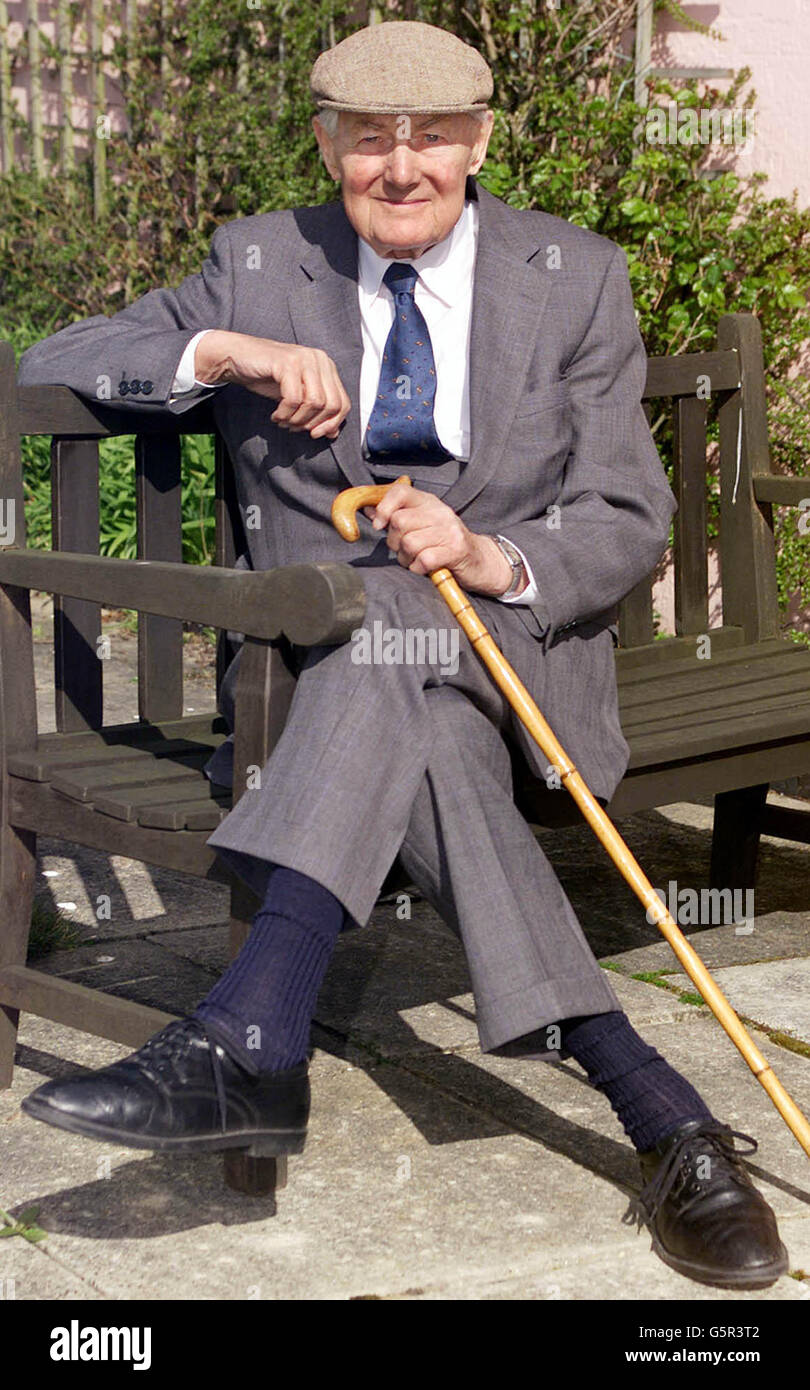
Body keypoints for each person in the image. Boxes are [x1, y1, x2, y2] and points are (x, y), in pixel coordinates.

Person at [17, 21, 787, 1290]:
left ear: (480, 141)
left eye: (431, 136)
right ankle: (666, 1118)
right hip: (331, 680)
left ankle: (249, 1036)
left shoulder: (573, 272)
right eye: (369, 137)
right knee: (393, 653)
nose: (401, 165)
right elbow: (53, 360)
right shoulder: (261, 261)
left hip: (521, 662)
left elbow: (627, 514)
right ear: (328, 144)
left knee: (407, 627)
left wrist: (490, 555)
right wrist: (225, 352)